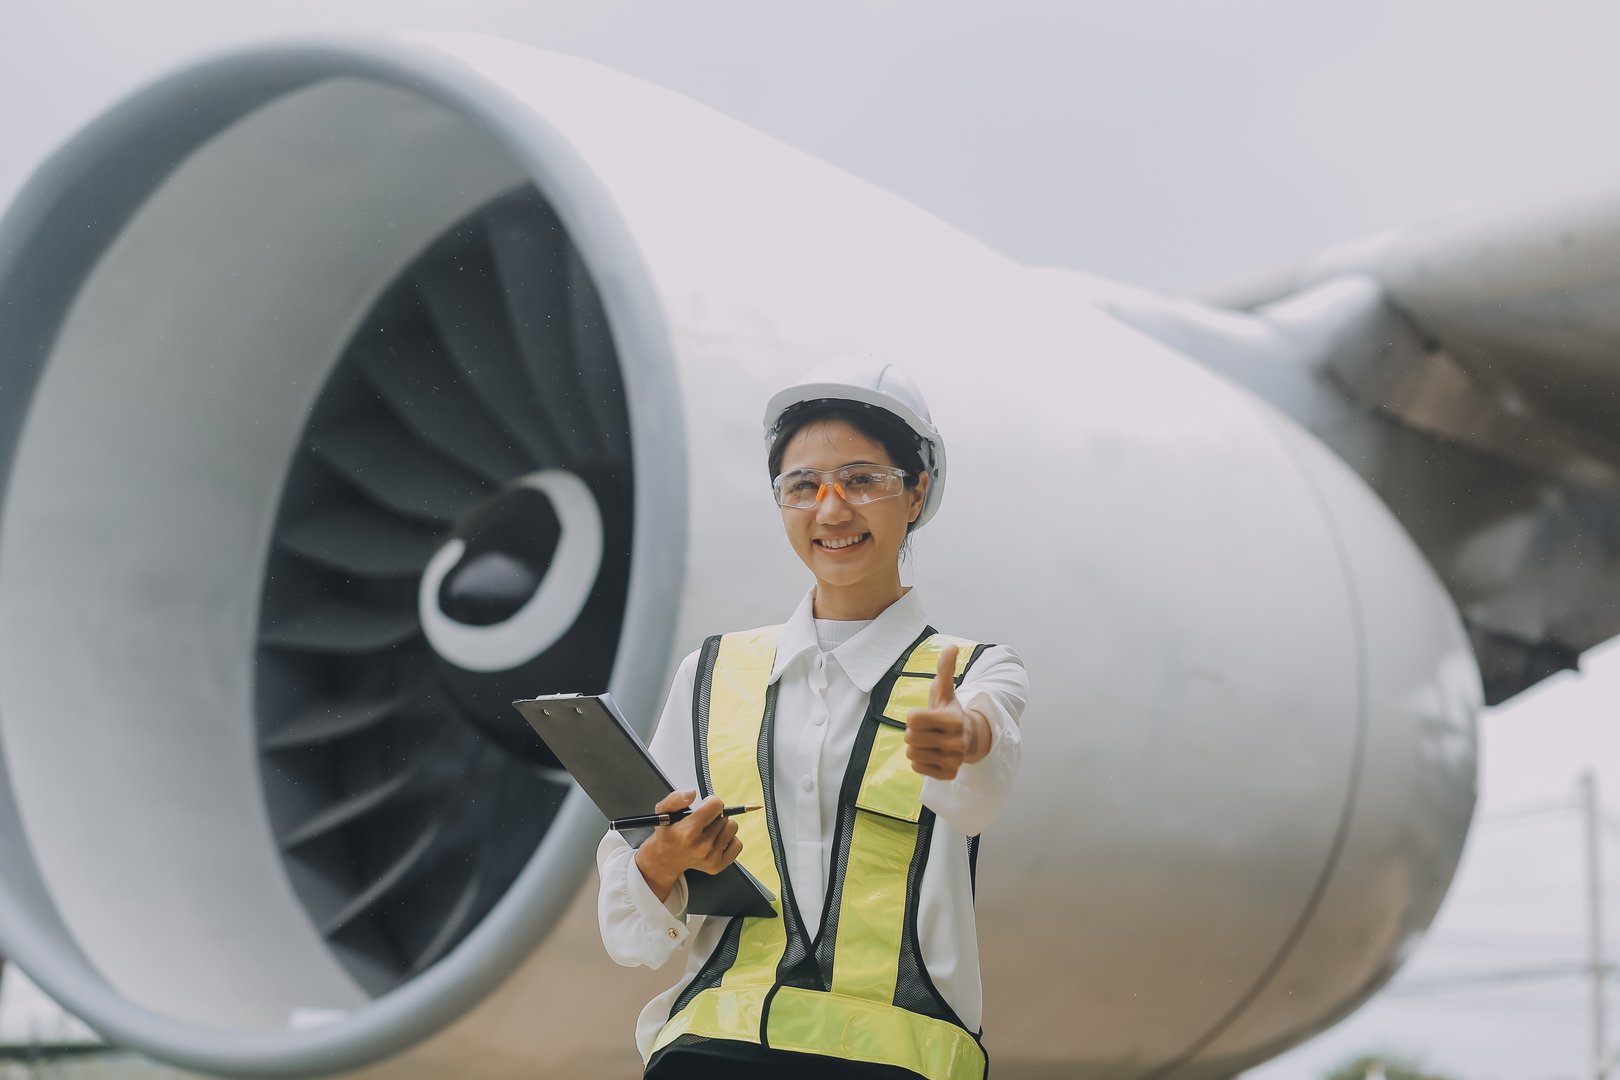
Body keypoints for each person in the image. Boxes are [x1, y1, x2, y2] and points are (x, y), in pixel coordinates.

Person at [596, 356, 1028, 1080]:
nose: (831, 510)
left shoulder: (974, 671)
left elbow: (980, 787)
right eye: (804, 486)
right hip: (711, 1057)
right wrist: (662, 861)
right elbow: (630, 937)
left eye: (863, 480)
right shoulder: (711, 674)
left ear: (916, 493)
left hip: (893, 1066)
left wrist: (964, 741)